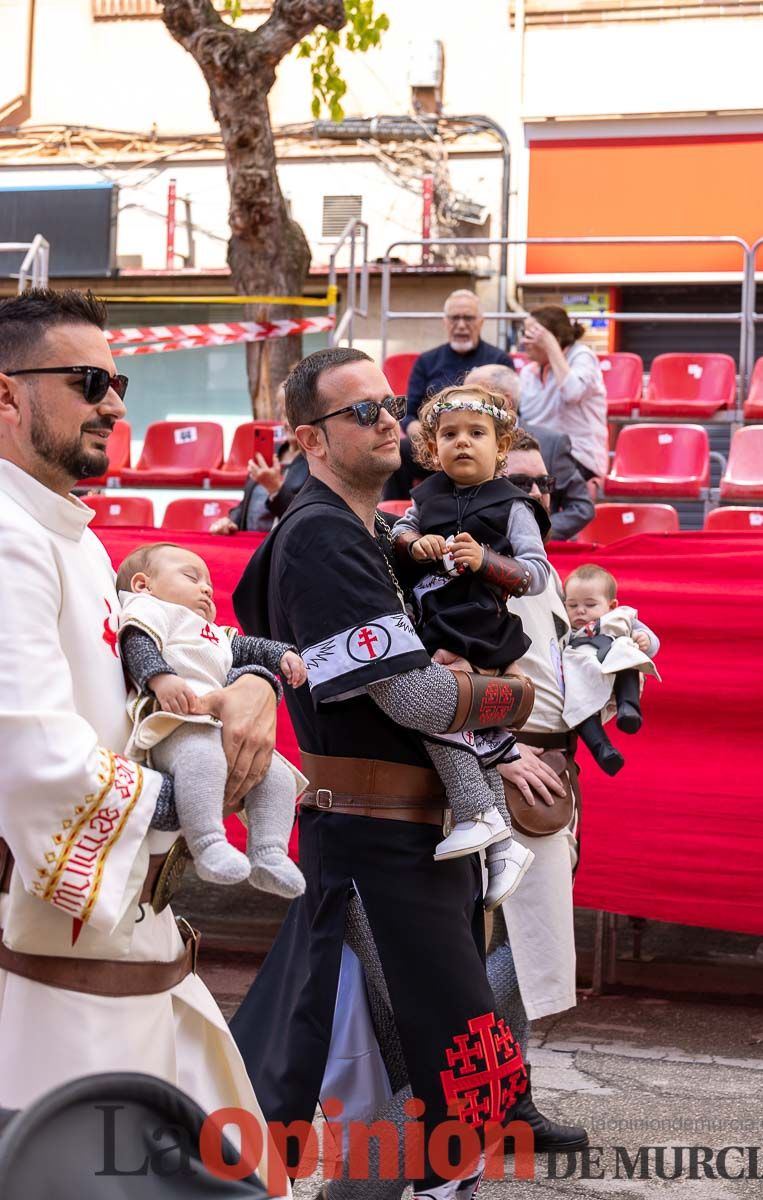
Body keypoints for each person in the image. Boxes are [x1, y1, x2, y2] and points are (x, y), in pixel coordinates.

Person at [230, 347, 537, 1200]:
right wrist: (508, 700)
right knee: (425, 1073)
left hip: (401, 841)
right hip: (377, 845)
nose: (389, 419)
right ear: (309, 440)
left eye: (391, 402)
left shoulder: (359, 528)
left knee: (415, 1069)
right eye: (362, 411)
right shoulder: (324, 535)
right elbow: (409, 696)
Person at [0, 290, 286, 1191]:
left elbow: (150, 668)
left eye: (117, 381)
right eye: (89, 382)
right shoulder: (8, 539)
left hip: (128, 944)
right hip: (55, 973)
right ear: (7, 398)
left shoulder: (68, 535)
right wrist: (212, 797)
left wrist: (248, 686)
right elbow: (31, 757)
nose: (117, 405)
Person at [390, 384, 550, 908]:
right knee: (457, 727)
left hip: (477, 624)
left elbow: (539, 575)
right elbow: (400, 536)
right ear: (432, 447)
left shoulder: (514, 506)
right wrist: (416, 544)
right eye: (449, 434)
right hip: (428, 617)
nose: (463, 443)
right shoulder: (423, 498)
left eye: (477, 434)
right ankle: (500, 844)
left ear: (500, 448)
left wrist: (487, 563)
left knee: (433, 703)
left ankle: (481, 819)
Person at [116, 541, 308, 895]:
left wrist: (282, 655)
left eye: (207, 581)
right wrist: (160, 677)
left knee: (276, 774)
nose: (206, 587)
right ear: (144, 584)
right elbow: (136, 639)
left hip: (217, 722)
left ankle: (269, 853)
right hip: (174, 720)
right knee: (200, 758)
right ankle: (207, 844)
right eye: (191, 577)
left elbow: (247, 647)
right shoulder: (150, 608)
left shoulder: (212, 632)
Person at [384, 290, 514, 500]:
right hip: (435, 442)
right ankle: (395, 514)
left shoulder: (499, 360)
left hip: (482, 442)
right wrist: (417, 429)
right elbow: (408, 413)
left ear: (481, 322)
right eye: (455, 318)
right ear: (445, 322)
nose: (461, 325)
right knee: (398, 450)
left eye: (468, 318)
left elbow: (509, 411)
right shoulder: (426, 361)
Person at [464, 363, 595, 540]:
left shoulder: (551, 443)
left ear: (506, 401)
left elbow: (581, 507)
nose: (463, 405)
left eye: (474, 398)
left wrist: (536, 532)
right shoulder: (462, 444)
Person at [562, 564, 660, 776]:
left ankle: (629, 708)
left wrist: (644, 640)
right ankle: (602, 750)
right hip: (584, 678)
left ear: (612, 605)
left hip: (615, 667)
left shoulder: (621, 618)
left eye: (590, 604)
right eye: (572, 605)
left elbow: (653, 644)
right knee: (576, 705)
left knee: (626, 651)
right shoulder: (566, 631)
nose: (580, 610)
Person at [517, 305, 608, 482]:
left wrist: (551, 346)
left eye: (530, 335)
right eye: (523, 333)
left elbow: (572, 392)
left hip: (579, 457)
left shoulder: (582, 356)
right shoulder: (528, 372)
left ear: (555, 338)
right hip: (540, 455)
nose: (523, 341)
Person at [210, 429, 309, 535]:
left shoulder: (315, 465)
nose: (288, 422)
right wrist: (230, 522)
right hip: (249, 544)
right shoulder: (270, 452)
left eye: (294, 414)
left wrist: (276, 490)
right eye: (285, 414)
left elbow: (306, 518)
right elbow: (246, 504)